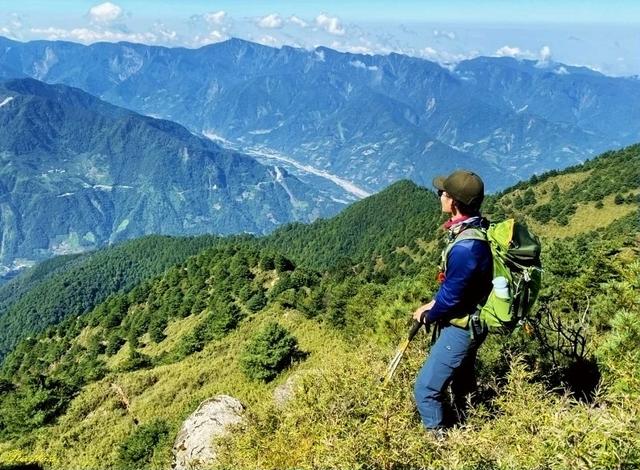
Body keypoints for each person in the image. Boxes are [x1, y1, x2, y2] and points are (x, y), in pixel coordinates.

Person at [412, 170, 493, 434]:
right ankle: (468, 428)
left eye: (442, 193)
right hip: (473, 321)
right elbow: (457, 287)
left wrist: (430, 313)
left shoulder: (465, 248)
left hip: (462, 327)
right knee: (462, 383)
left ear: (454, 202)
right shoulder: (477, 229)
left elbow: (454, 296)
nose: (439, 197)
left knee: (425, 389)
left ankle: (438, 447)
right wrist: (432, 304)